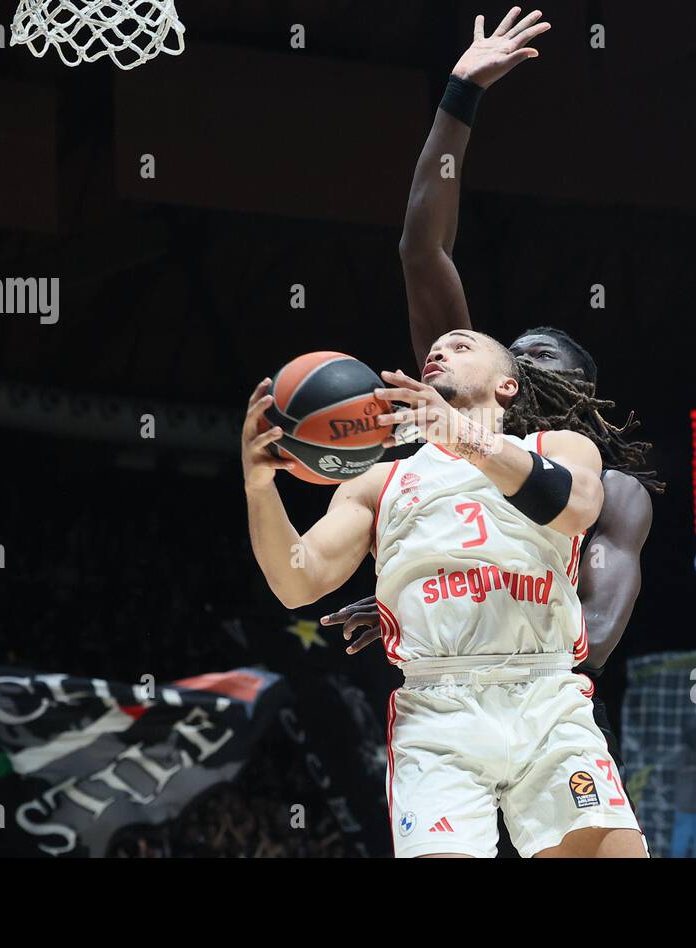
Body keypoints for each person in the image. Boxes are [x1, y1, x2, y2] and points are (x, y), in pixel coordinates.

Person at [322, 7, 662, 788]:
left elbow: (600, 634)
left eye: (539, 354)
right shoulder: (466, 385)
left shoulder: (612, 490)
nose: (509, 351)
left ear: (574, 394)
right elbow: (421, 243)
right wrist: (461, 92)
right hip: (448, 699)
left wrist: (471, 604)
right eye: (514, 348)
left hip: (550, 708)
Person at [242, 327, 645, 857]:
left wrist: (462, 435)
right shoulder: (375, 481)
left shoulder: (557, 446)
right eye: (435, 348)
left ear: (507, 386)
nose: (438, 352)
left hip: (545, 695)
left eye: (461, 346)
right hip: (437, 709)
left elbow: (576, 506)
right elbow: (296, 582)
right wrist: (258, 487)